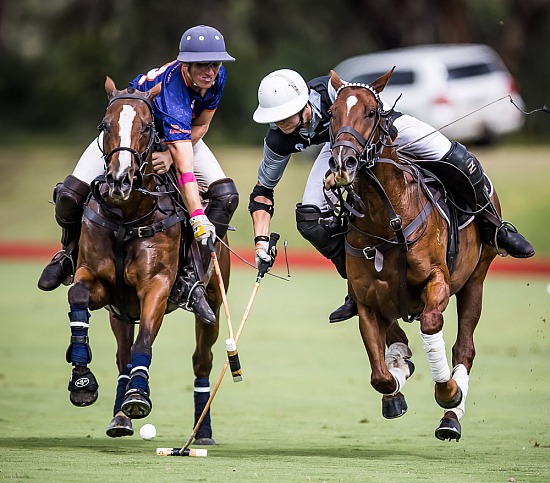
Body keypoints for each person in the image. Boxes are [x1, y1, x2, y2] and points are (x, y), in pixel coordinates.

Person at [249, 68, 534, 323]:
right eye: (274, 120)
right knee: (309, 219)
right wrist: (261, 242)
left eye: (284, 117)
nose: (279, 125)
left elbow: (367, 113)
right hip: (336, 149)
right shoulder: (278, 139)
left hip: (378, 127)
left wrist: (342, 174)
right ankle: (355, 285)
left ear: (304, 104)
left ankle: (495, 229)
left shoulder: (332, 92)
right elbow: (262, 193)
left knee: (459, 159)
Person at [37, 25, 239, 325]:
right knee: (69, 195)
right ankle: (67, 255)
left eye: (215, 63)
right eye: (203, 65)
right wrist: (196, 212)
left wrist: (169, 155)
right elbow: (185, 169)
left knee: (226, 195)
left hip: (179, 138)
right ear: (186, 64)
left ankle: (190, 279)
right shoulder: (171, 89)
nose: (210, 71)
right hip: (128, 134)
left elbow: (202, 125)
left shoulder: (216, 77)